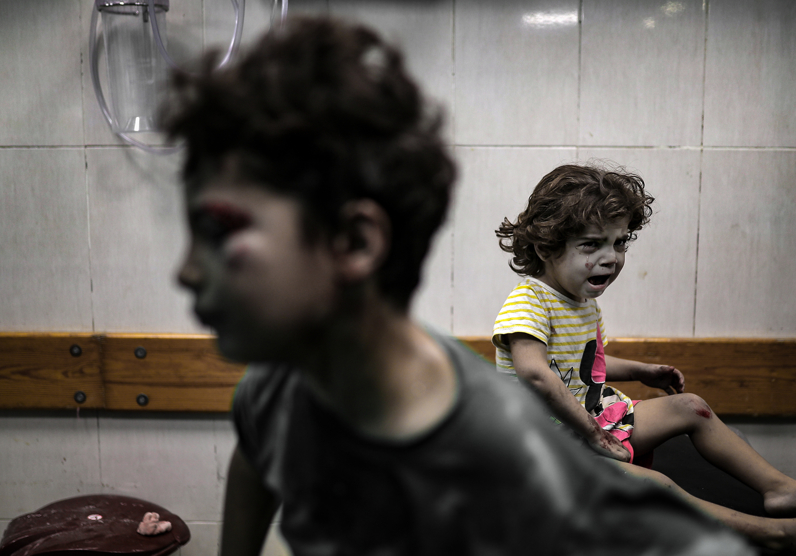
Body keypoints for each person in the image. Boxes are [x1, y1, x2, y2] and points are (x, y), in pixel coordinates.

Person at [163, 16, 753, 556]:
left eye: (217, 230)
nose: (186, 271)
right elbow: (255, 472)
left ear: (356, 242)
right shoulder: (273, 391)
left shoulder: (502, 448)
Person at [493, 162, 796, 552]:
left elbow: (587, 364)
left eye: (619, 243)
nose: (611, 257)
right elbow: (536, 375)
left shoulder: (583, 303)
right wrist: (593, 435)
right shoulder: (529, 301)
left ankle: (780, 488)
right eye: (592, 244)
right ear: (546, 247)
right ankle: (771, 534)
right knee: (657, 486)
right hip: (539, 448)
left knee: (690, 406)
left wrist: (642, 371)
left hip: (591, 423)